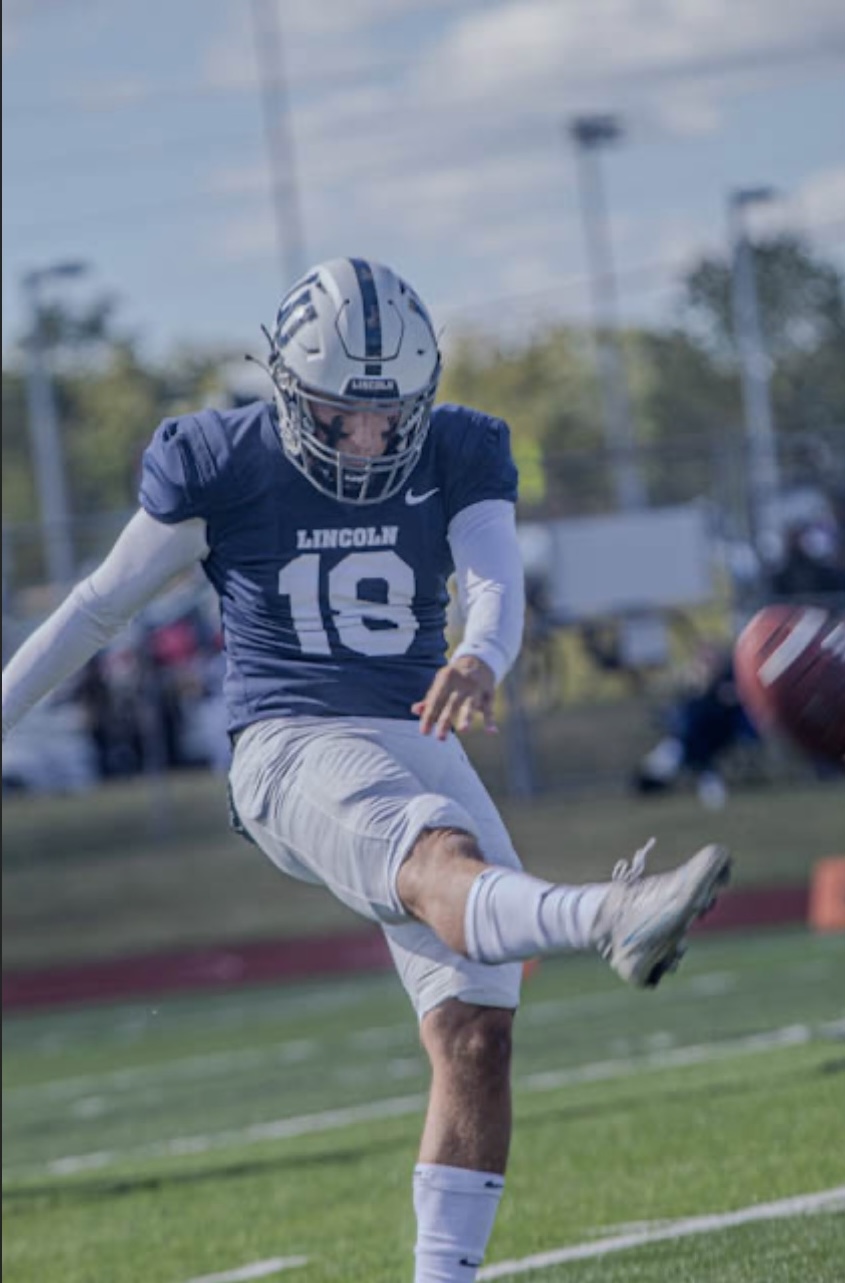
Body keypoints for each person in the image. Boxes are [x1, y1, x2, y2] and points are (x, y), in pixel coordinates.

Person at [1, 258, 731, 1281]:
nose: (369, 437)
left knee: (476, 1034)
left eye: (391, 414)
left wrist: (481, 652)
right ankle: (604, 915)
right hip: (287, 740)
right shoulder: (217, 459)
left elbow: (491, 577)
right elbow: (95, 606)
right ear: (289, 387)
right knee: (440, 848)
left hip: (412, 724)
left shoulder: (462, 445)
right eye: (343, 412)